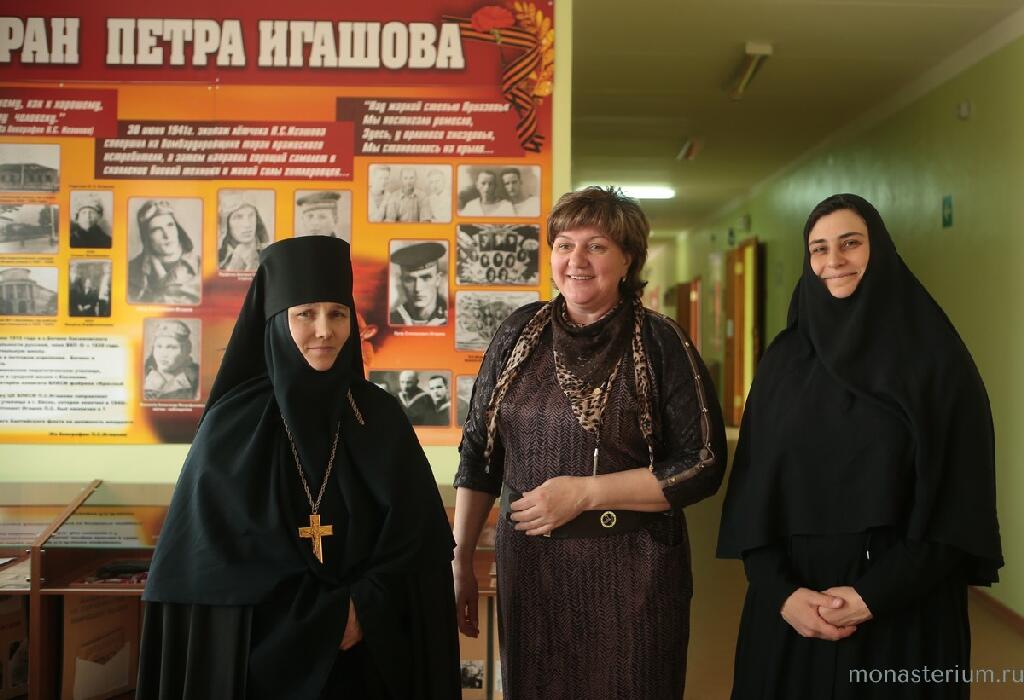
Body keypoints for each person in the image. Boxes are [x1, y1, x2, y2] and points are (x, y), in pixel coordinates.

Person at [137, 236, 460, 699]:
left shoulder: (379, 416)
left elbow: (416, 541)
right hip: (259, 665)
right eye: (305, 314)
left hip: (369, 660)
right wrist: (324, 619)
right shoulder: (233, 426)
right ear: (275, 322)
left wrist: (364, 609)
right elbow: (214, 562)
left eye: (338, 314)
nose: (324, 330)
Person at [717, 194, 1003, 700]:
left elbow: (960, 500)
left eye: (850, 243)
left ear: (881, 251)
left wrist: (873, 596)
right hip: (790, 611)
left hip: (904, 613)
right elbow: (753, 493)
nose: (834, 260)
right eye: (819, 248)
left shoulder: (936, 363)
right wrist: (782, 594)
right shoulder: (784, 362)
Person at [453, 186, 727, 698]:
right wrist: (461, 558)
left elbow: (703, 463)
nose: (576, 260)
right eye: (564, 245)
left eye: (596, 246)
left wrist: (584, 493)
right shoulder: (518, 333)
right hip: (531, 572)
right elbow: (478, 453)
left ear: (628, 259)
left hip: (635, 574)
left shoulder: (661, 341)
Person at [128, 200, 201, 305]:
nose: (166, 235)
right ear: (147, 237)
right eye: (156, 230)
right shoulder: (131, 270)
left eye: (170, 225)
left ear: (178, 229)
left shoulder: (201, 267)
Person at [389, 241, 448, 326]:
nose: (417, 288)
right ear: (402, 282)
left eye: (426, 278)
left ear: (438, 279)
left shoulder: (453, 316)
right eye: (410, 280)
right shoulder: (392, 320)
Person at [143, 320, 200, 401]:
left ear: (186, 350)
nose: (163, 354)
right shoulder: (141, 375)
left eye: (171, 347)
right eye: (159, 346)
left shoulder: (197, 379)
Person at [218, 193, 270, 272]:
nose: (247, 224)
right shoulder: (215, 257)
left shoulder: (270, 253)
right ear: (226, 224)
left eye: (251, 215)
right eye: (238, 217)